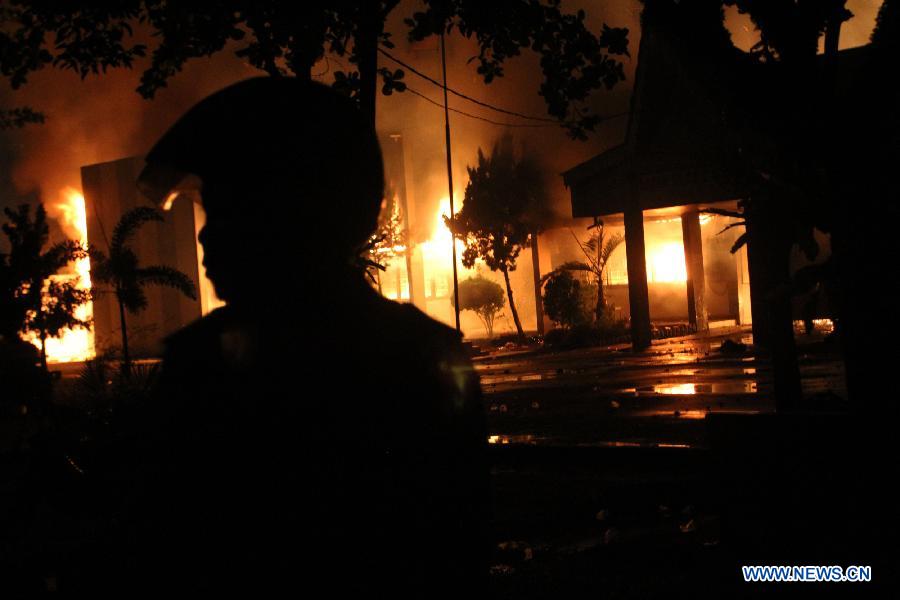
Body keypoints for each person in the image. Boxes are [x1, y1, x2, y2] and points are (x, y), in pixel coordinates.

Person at [126, 77, 489, 592]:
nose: (206, 232)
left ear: (290, 214)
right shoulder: (423, 355)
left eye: (226, 208)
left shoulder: (205, 366)